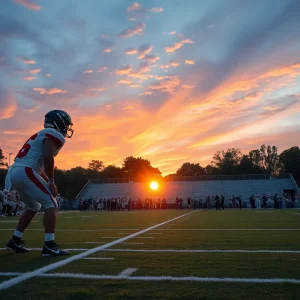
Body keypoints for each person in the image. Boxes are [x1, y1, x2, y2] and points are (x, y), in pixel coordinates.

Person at [4, 110, 74, 256]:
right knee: (52, 203)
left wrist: (47, 180)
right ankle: (49, 244)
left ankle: (15, 240)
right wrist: (52, 181)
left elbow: (39, 164)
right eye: (66, 124)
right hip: (25, 171)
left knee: (34, 205)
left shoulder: (42, 133)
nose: (67, 128)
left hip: (15, 172)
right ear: (58, 122)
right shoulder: (53, 134)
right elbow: (48, 158)